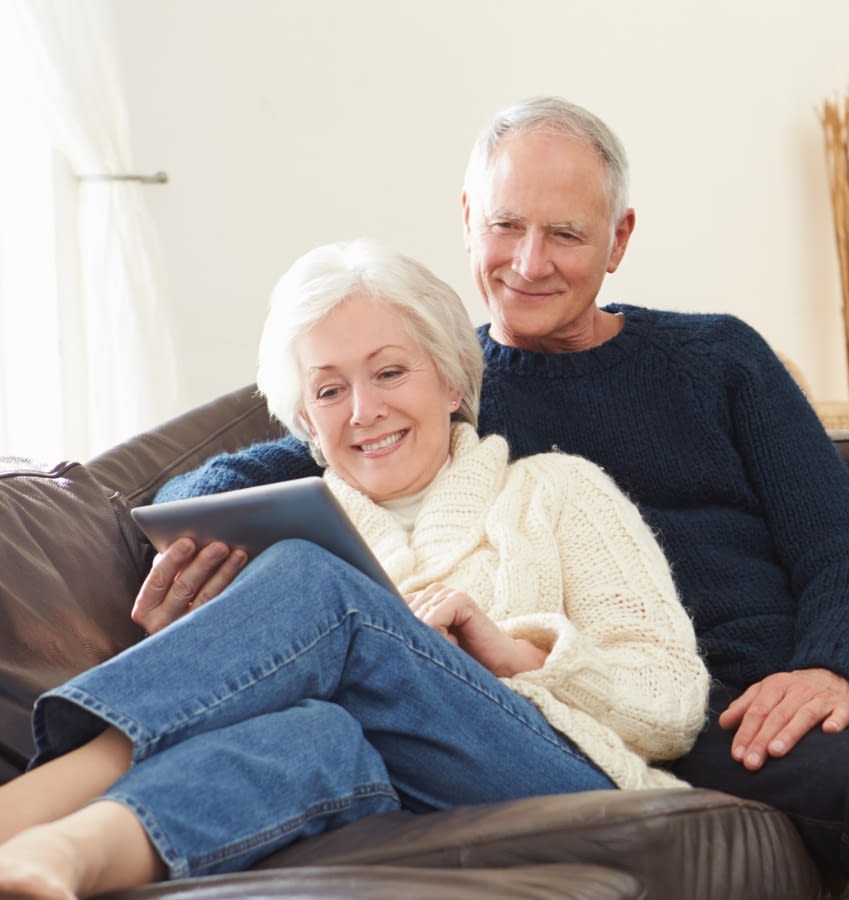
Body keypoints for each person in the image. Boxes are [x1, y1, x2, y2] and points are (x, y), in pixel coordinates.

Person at [135, 97, 849, 900]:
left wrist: (833, 671)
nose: (528, 263)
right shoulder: (438, 386)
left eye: (565, 233)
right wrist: (195, 512)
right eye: (507, 227)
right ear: (469, 221)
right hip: (673, 701)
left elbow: (843, 551)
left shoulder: (718, 358)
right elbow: (273, 456)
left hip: (807, 665)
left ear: (619, 238)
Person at [0, 239, 709, 899]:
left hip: (547, 778)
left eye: (390, 372)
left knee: (318, 582)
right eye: (330, 390)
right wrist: (179, 640)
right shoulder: (263, 536)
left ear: (452, 381)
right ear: (306, 419)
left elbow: (671, 702)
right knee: (314, 731)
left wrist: (518, 655)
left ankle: (34, 797)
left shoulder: (559, 491)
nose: (364, 411)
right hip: (356, 781)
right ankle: (53, 856)